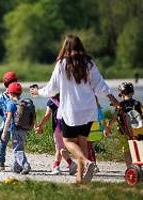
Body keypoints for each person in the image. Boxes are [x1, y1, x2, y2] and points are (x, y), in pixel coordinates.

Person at [30, 35, 119, 183]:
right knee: (82, 142)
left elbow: (52, 89)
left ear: (66, 47)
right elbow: (100, 86)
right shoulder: (89, 63)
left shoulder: (62, 64)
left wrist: (38, 92)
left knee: (68, 142)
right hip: (89, 111)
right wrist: (113, 99)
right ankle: (79, 178)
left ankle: (88, 162)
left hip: (71, 111)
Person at [35, 93, 77, 175]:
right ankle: (58, 166)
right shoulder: (68, 97)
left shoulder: (52, 101)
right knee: (60, 148)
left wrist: (40, 126)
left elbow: (47, 115)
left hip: (58, 127)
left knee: (59, 147)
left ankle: (70, 164)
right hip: (70, 125)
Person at [105, 82, 143, 166]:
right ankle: (138, 166)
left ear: (121, 93)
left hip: (125, 133)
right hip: (138, 131)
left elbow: (114, 118)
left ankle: (130, 168)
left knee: (127, 150)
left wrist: (108, 127)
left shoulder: (120, 105)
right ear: (132, 92)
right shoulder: (138, 103)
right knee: (139, 149)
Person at [2, 82, 31, 174]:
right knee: (19, 147)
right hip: (24, 129)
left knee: (17, 149)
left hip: (15, 129)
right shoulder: (24, 103)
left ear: (10, 93)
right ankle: (17, 167)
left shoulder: (11, 104)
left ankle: (25, 165)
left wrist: (4, 132)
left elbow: (8, 119)